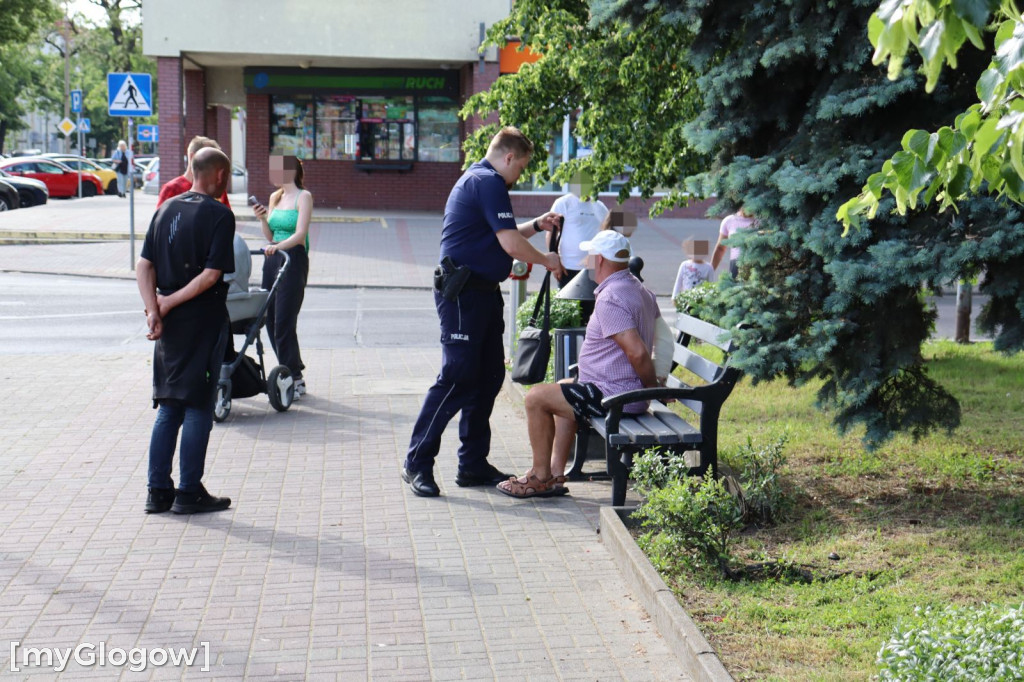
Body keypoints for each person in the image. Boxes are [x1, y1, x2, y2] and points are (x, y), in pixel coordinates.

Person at [402, 126, 565, 498]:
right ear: (509, 157)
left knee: (489, 376)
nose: (518, 176)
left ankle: (472, 464)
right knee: (457, 378)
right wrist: (546, 260)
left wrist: (536, 225)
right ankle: (416, 462)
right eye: (521, 168)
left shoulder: (482, 180)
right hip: (463, 297)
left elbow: (501, 232)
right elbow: (509, 243)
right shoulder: (487, 181)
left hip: (484, 295)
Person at [497, 230, 661, 499]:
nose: (586, 261)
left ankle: (539, 476)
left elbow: (638, 353)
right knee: (562, 388)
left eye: (590, 256)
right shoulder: (639, 289)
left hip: (615, 395)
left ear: (600, 260)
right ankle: (555, 474)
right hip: (617, 389)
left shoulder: (612, 298)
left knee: (536, 398)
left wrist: (652, 390)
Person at [136, 148, 236, 515]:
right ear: (221, 175)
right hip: (202, 322)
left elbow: (143, 265)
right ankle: (189, 491)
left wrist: (154, 308)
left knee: (168, 405)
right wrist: (166, 305)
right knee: (196, 406)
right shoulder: (220, 215)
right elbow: (211, 276)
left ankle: (157, 490)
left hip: (169, 325)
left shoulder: (165, 209)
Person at [252, 154, 312, 398]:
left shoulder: (303, 197)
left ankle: (293, 378)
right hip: (273, 256)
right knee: (271, 318)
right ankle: (292, 370)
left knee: (285, 322)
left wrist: (279, 246)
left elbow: (300, 234)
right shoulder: (275, 197)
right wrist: (262, 219)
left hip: (293, 258)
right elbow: (269, 235)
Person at [549, 192, 608, 322]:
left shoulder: (599, 206)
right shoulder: (563, 203)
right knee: (569, 314)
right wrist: (555, 264)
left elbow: (606, 233)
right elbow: (551, 233)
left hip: (593, 269)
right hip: (568, 268)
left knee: (592, 313)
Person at [157, 136, 232, 208]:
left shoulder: (217, 188)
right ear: (192, 157)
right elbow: (162, 219)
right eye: (209, 160)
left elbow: (227, 216)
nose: (214, 166)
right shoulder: (172, 188)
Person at [711, 207, 755, 278]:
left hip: (758, 265)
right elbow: (720, 248)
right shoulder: (729, 220)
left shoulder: (764, 221)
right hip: (736, 265)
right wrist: (710, 271)